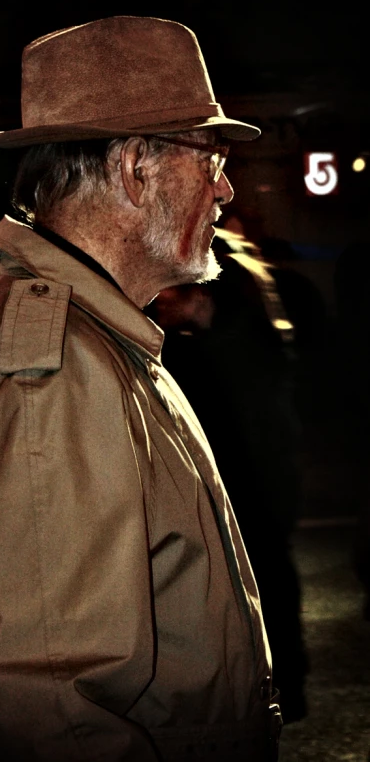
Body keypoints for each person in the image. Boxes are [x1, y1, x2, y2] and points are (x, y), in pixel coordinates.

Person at [0, 16, 282, 761]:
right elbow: (45, 711)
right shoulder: (52, 369)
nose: (227, 188)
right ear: (136, 166)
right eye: (212, 158)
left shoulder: (86, 334)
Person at [148, 228, 309, 723]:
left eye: (169, 287)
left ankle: (274, 687)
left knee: (261, 585)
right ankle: (282, 685)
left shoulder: (220, 351)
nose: (158, 300)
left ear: (199, 291)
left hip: (251, 492)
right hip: (264, 486)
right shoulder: (244, 337)